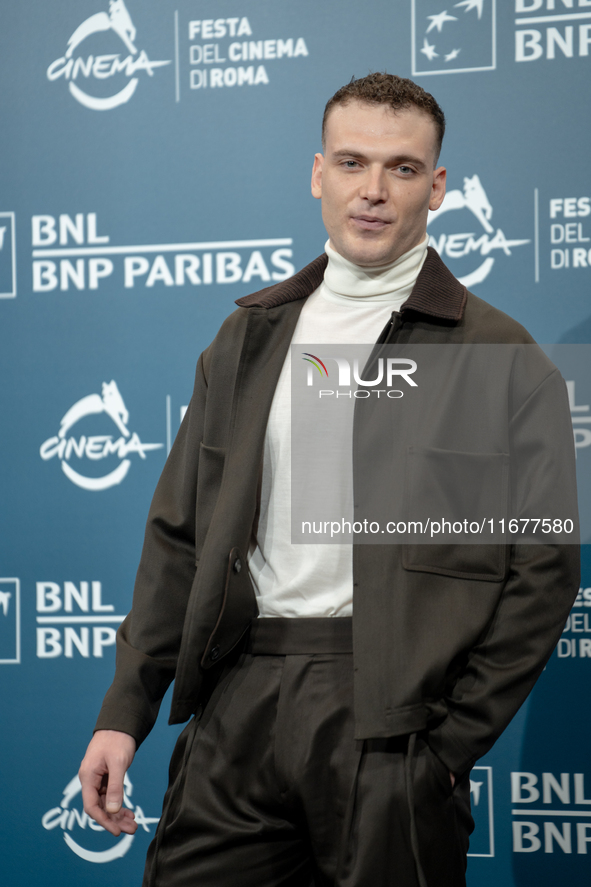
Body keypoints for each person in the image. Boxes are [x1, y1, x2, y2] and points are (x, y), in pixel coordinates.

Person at [79, 73, 580, 887]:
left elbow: (543, 574)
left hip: (392, 725)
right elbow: (179, 536)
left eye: (402, 168)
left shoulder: (502, 357)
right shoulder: (245, 337)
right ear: (319, 173)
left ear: (438, 186)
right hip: (238, 703)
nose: (373, 190)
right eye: (351, 162)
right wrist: (125, 711)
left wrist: (445, 747)